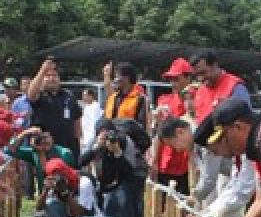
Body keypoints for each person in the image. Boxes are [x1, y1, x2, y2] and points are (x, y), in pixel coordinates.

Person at [149, 58, 195, 194]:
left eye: (176, 79)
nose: (173, 83)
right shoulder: (164, 101)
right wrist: (154, 161)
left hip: (189, 164)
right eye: (171, 79)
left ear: (188, 78)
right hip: (166, 162)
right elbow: (158, 134)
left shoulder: (198, 100)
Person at [26, 58, 81, 153]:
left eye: (55, 75)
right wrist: (43, 70)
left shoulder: (69, 96)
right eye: (48, 76)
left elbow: (77, 124)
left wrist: (77, 145)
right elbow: (31, 94)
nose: (52, 78)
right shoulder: (40, 95)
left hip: (67, 148)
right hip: (44, 148)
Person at [191, 52, 249, 122]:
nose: (200, 79)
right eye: (196, 75)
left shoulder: (235, 87)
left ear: (214, 65)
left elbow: (244, 122)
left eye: (203, 73)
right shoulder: (200, 90)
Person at [102, 61, 148, 126]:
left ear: (127, 78)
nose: (115, 80)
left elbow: (141, 126)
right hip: (109, 135)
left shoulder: (139, 99)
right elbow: (104, 119)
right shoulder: (112, 97)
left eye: (117, 76)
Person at [78, 87, 103, 152]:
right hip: (85, 139)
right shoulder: (86, 106)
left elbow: (94, 125)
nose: (83, 97)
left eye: (85, 95)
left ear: (91, 96)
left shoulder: (95, 107)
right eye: (83, 95)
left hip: (91, 140)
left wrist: (90, 141)